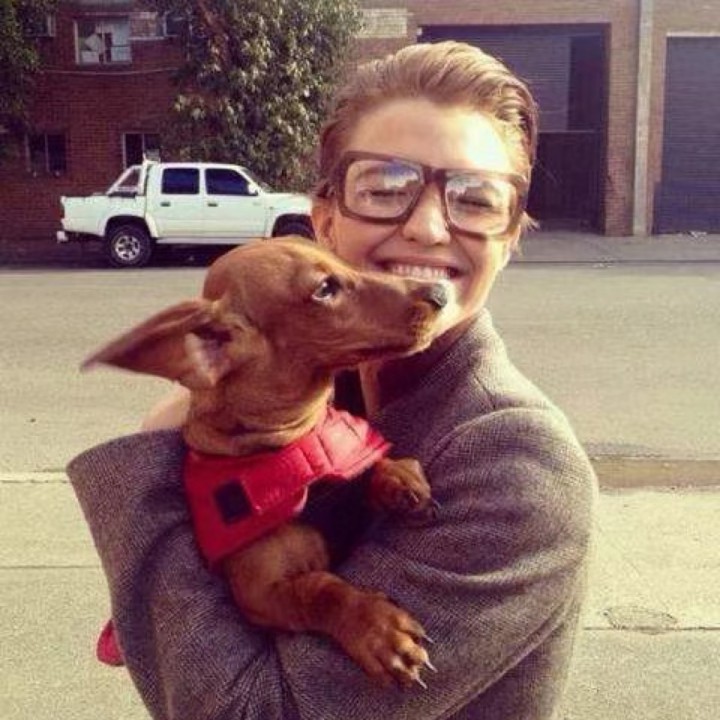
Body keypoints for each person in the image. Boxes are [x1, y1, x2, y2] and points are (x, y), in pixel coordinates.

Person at [68, 41, 597, 719]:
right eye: (385, 187)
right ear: (322, 220)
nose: (428, 227)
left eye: (475, 198)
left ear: (511, 235)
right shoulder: (313, 391)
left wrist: (152, 463)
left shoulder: (519, 467)